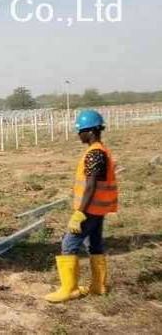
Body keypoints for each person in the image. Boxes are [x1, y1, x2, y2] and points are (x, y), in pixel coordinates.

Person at [45, 109, 118, 303]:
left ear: (91, 131)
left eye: (81, 130)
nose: (79, 134)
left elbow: (91, 185)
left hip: (89, 210)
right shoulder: (101, 150)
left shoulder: (95, 153)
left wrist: (79, 213)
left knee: (68, 244)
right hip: (97, 209)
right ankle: (98, 286)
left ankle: (69, 289)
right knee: (94, 245)